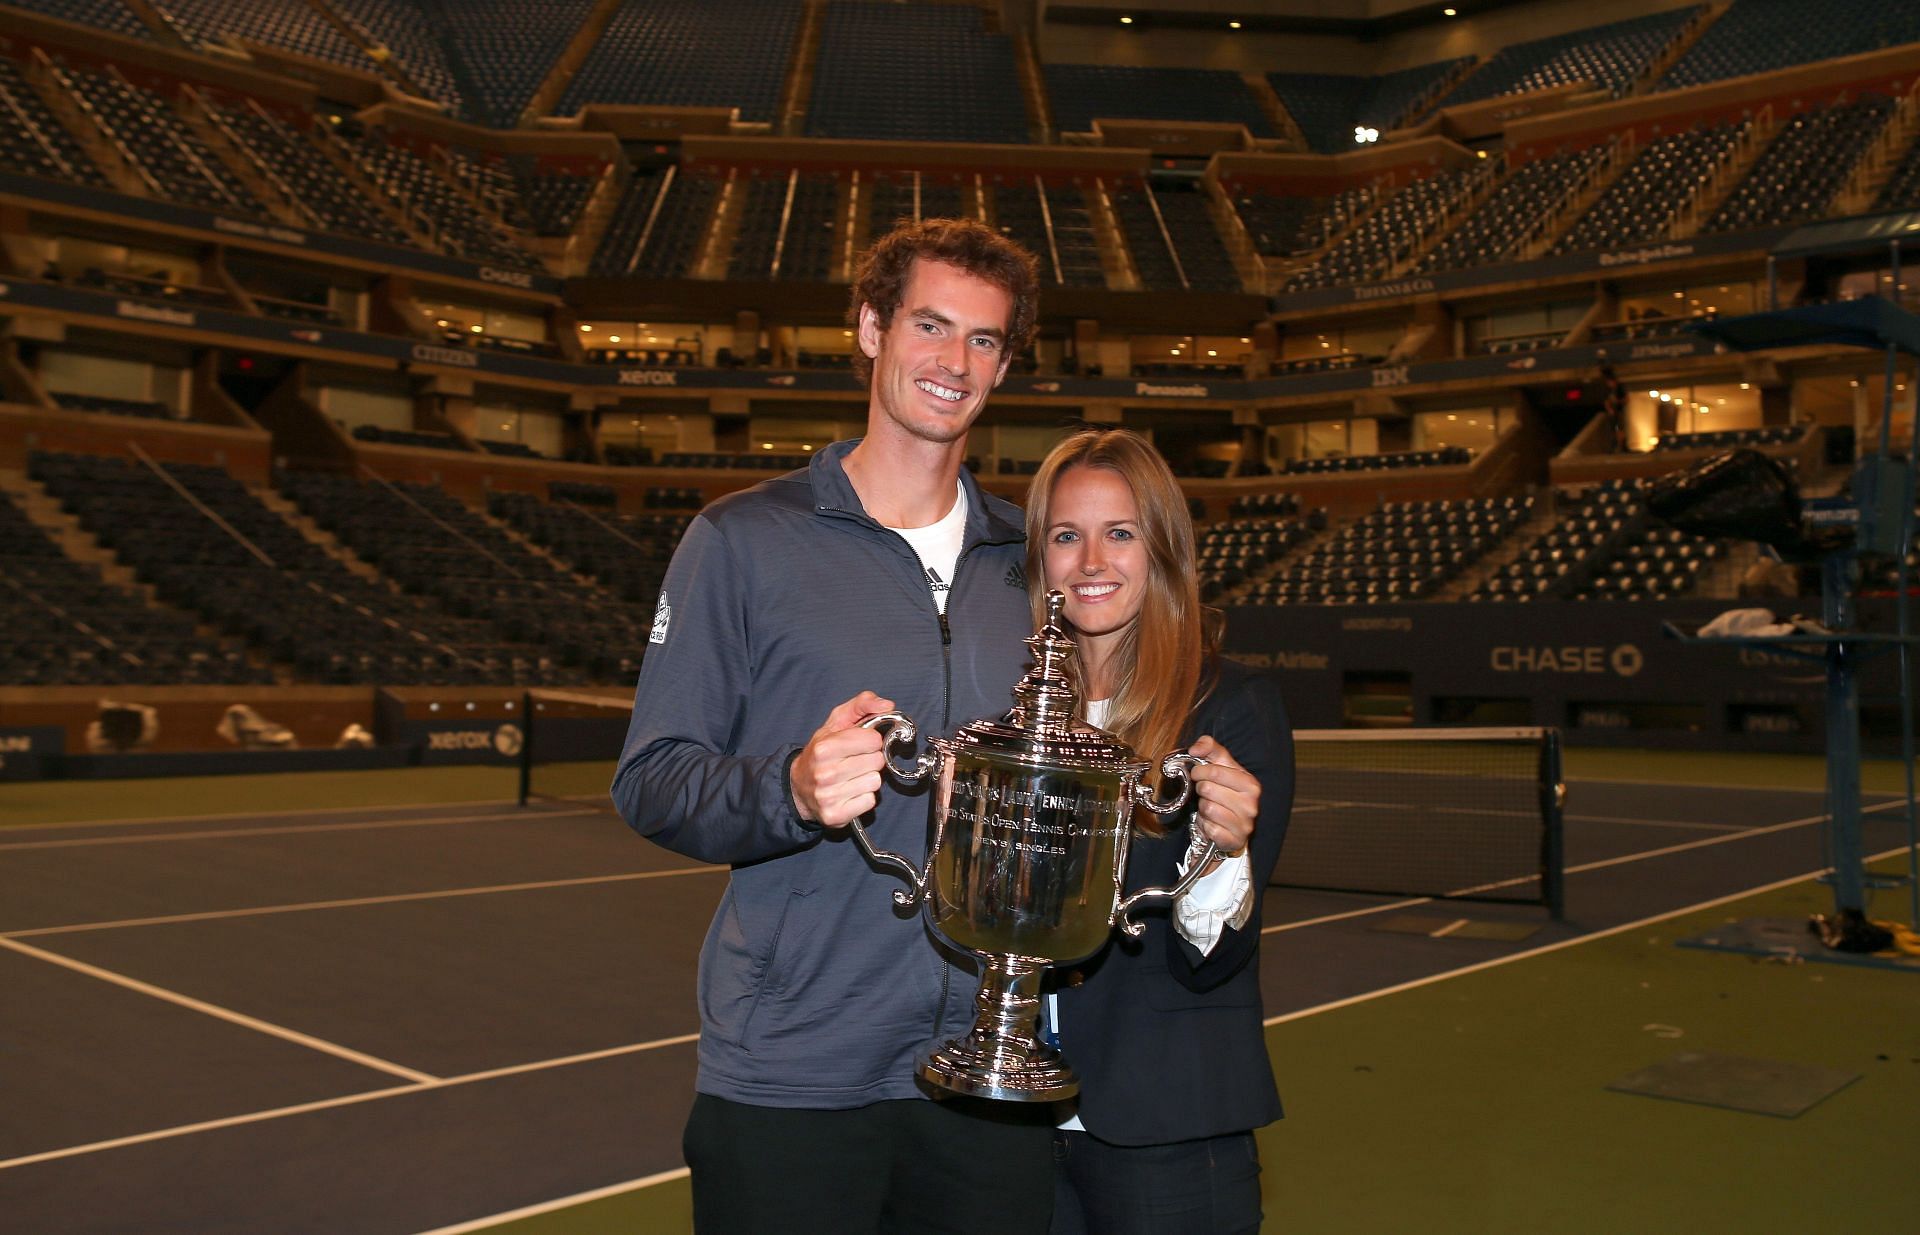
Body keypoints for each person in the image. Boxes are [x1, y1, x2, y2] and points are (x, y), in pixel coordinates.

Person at [610, 218, 1052, 1235]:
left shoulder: (1027, 565)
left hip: (984, 1075)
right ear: (869, 328)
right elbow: (653, 778)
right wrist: (791, 790)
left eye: (985, 339)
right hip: (792, 1072)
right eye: (931, 326)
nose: (955, 361)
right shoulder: (742, 539)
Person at [1027, 429, 1293, 1235]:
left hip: (1167, 1131)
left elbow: (1211, 960)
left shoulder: (1230, 706)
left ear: (1163, 550)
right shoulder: (1022, 718)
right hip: (1020, 1132)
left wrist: (1224, 850)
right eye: (1066, 535)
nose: (1091, 561)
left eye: (1121, 533)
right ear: (1039, 559)